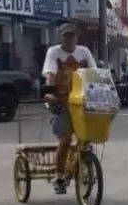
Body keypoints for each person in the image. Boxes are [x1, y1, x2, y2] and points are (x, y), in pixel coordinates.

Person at [41, 23, 97, 194]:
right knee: (65, 140)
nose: (69, 39)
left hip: (81, 101)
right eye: (66, 36)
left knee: (86, 138)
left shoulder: (84, 52)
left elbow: (94, 73)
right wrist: (49, 93)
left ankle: (82, 163)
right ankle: (59, 177)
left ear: (77, 37)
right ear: (60, 38)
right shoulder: (54, 52)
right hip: (61, 102)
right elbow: (50, 74)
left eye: (72, 36)